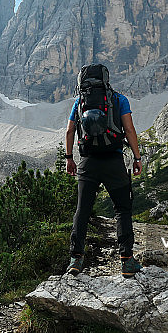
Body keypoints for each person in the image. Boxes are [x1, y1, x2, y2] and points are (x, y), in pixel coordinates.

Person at [64, 66, 143, 278]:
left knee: (82, 210)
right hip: (113, 162)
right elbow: (129, 130)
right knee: (122, 209)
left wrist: (69, 159)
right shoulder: (119, 100)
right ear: (106, 79)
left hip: (88, 162)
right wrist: (137, 158)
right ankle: (127, 260)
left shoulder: (80, 102)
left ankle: (76, 258)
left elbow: (70, 130)